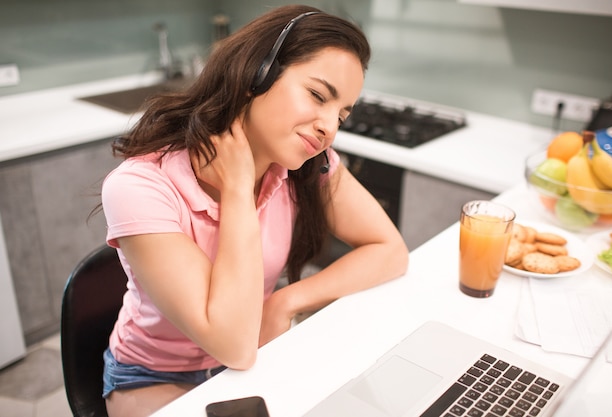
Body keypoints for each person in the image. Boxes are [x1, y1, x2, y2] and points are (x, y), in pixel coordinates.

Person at [100, 4, 409, 416]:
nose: (329, 127)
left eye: (342, 115)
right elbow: (233, 345)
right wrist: (237, 187)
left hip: (252, 358)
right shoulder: (139, 186)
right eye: (317, 96)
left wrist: (285, 301)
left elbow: (390, 250)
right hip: (155, 375)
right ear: (255, 75)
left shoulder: (309, 167)